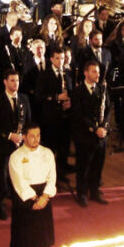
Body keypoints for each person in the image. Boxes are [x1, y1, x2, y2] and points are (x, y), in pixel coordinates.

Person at [8, 123, 57, 247]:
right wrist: (35, 199)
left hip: (44, 196)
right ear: (24, 137)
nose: (36, 139)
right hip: (24, 198)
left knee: (45, 236)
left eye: (38, 135)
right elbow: (18, 181)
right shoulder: (16, 156)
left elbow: (52, 177)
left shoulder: (47, 153)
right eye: (32, 136)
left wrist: (44, 197)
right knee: (19, 238)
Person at [0, 69, 32, 220]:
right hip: (4, 145)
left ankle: (17, 202)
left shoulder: (24, 99)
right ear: (5, 82)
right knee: (2, 176)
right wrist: (9, 135)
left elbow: (28, 121)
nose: (16, 84)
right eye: (12, 81)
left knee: (19, 175)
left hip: (20, 146)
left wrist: (25, 136)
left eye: (17, 80)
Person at [71, 60, 111, 206]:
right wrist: (95, 129)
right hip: (85, 135)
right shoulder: (77, 91)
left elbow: (107, 110)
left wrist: (104, 127)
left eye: (98, 72)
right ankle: (81, 193)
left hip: (101, 135)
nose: (97, 75)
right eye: (94, 72)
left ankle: (94, 191)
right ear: (86, 73)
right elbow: (78, 114)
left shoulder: (102, 89)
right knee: (83, 166)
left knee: (98, 165)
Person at [36, 47, 72, 179]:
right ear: (51, 59)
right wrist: (57, 97)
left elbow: (71, 91)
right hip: (50, 117)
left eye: (62, 58)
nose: (60, 61)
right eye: (57, 58)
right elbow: (39, 96)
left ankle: (61, 172)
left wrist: (69, 101)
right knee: (50, 147)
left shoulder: (67, 74)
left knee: (64, 147)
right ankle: (48, 175)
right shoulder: (44, 75)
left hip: (64, 117)